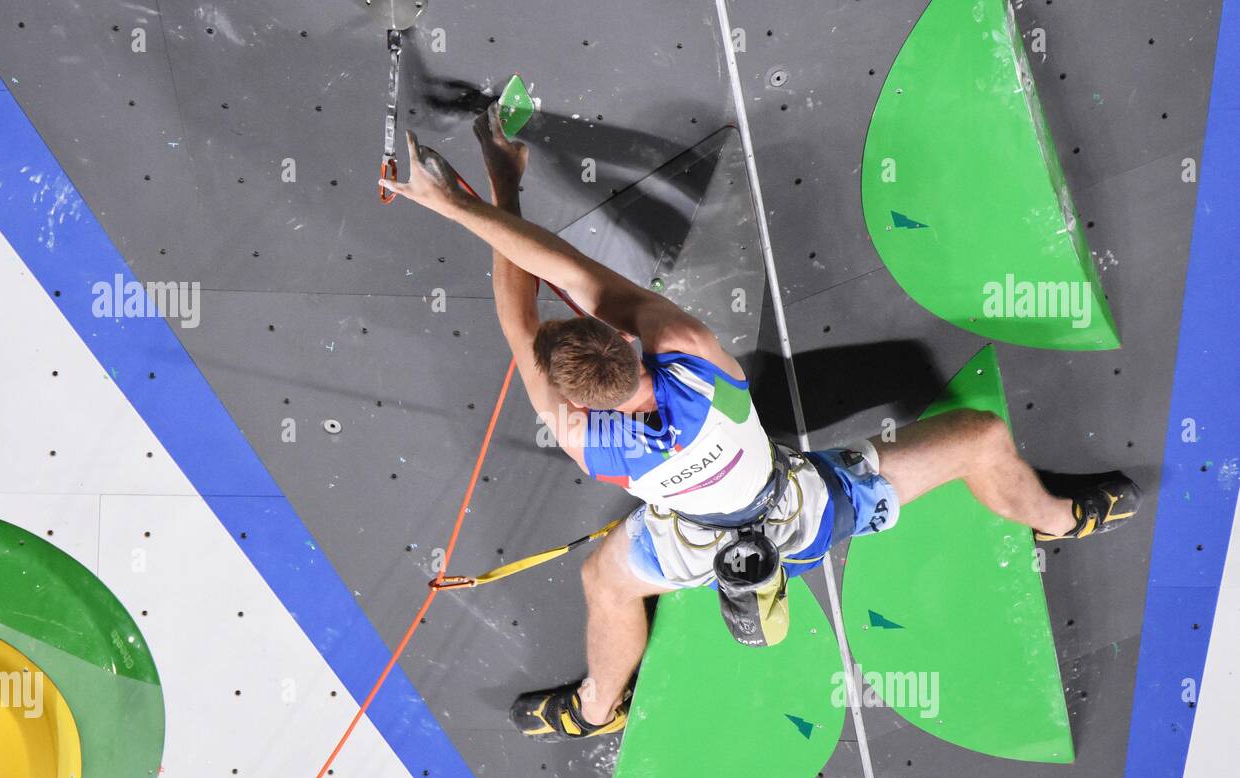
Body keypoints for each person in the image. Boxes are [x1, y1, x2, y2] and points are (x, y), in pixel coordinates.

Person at [379, 104, 1141, 741]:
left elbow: (521, 313)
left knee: (604, 583)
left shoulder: (582, 437)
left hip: (689, 544)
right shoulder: (691, 353)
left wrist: (497, 196)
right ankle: (1054, 518)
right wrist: (467, 199)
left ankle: (595, 709)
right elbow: (563, 271)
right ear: (621, 339)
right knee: (979, 439)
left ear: (576, 397)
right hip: (805, 510)